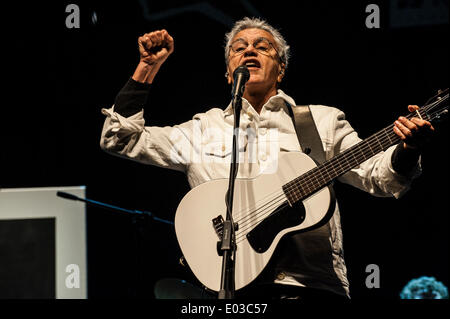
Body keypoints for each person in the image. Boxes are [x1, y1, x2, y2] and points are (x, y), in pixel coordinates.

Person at [100, 17, 434, 299]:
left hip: (311, 285)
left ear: (281, 68)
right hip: (229, 290)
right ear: (229, 73)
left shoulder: (320, 122)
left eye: (263, 46)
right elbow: (120, 138)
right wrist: (147, 67)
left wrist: (408, 149)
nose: (249, 50)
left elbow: (379, 179)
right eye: (239, 47)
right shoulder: (202, 128)